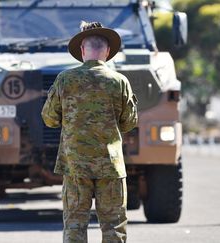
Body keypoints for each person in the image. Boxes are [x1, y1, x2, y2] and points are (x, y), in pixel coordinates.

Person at [42, 21, 138, 243]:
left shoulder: (65, 79)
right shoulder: (120, 81)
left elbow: (49, 118)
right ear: (107, 51)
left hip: (75, 166)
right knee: (114, 227)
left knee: (75, 225)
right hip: (111, 166)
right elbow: (130, 122)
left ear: (83, 50)